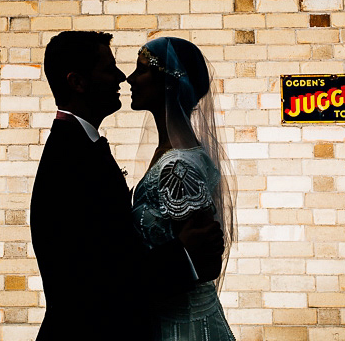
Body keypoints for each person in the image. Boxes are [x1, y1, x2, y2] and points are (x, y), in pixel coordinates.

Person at [30, 31, 225, 341]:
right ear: (78, 83)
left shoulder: (87, 148)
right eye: (109, 68)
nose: (123, 77)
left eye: (139, 68)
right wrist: (183, 253)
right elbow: (95, 279)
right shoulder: (71, 159)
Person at [127, 36, 237, 340]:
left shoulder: (178, 165)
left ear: (169, 82)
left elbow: (204, 262)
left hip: (182, 324)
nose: (130, 78)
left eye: (141, 69)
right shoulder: (172, 152)